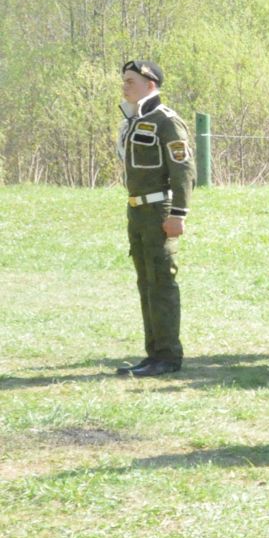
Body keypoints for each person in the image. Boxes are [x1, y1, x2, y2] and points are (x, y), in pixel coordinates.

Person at [116, 60, 191, 377]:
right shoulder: (132, 120)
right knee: (146, 282)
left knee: (161, 282)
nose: (125, 85)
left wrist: (178, 213)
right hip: (137, 210)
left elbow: (184, 170)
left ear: (151, 84)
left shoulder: (166, 121)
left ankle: (168, 356)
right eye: (124, 80)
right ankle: (153, 353)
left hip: (160, 209)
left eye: (131, 80)